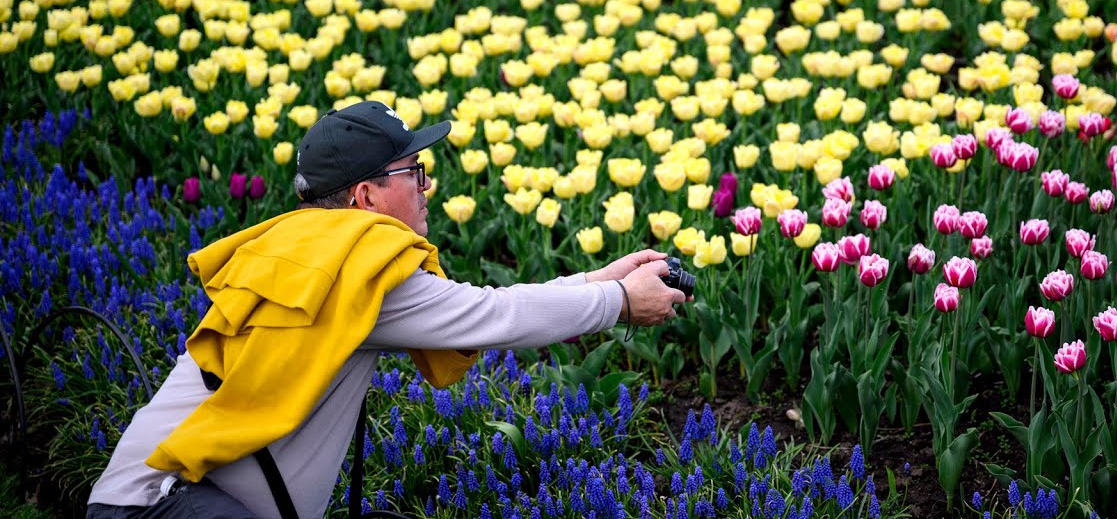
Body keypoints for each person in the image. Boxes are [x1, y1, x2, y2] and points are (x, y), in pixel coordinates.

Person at [86, 100, 689, 519]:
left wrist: (595, 279)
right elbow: (494, 317)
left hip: (144, 496)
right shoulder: (357, 265)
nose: (427, 185)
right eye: (414, 171)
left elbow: (478, 306)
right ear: (365, 196)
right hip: (171, 504)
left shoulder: (303, 247)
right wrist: (615, 301)